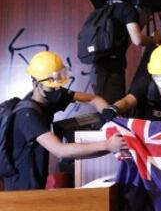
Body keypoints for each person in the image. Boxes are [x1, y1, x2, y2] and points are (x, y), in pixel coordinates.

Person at [3, 51, 127, 191]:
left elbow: (94, 99)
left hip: (37, 179)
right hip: (21, 187)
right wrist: (107, 145)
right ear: (35, 83)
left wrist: (110, 116)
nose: (57, 91)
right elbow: (60, 150)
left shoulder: (50, 95)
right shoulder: (27, 115)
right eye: (52, 86)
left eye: (58, 86)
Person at [90, 0, 161, 104]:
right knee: (115, 110)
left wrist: (141, 24)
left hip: (97, 72)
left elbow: (122, 45)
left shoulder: (104, 12)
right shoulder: (127, 9)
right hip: (111, 72)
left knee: (106, 108)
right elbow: (137, 40)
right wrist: (154, 39)